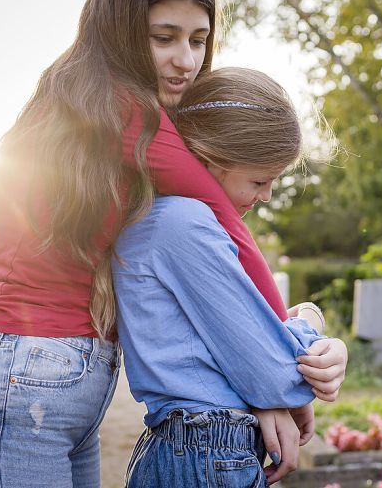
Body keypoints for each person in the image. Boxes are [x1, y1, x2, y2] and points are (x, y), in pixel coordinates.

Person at [0, 0, 345, 487]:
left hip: (50, 396)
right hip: (19, 386)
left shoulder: (94, 110)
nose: (187, 60)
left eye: (198, 40)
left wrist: (263, 385)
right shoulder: (124, 112)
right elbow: (228, 228)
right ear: (121, 29)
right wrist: (285, 345)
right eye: (164, 37)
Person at [114, 67, 338, 488]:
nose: (267, 195)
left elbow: (240, 355)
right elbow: (278, 375)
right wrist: (312, 323)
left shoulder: (168, 222)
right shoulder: (183, 223)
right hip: (204, 449)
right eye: (259, 180)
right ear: (211, 158)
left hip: (199, 446)